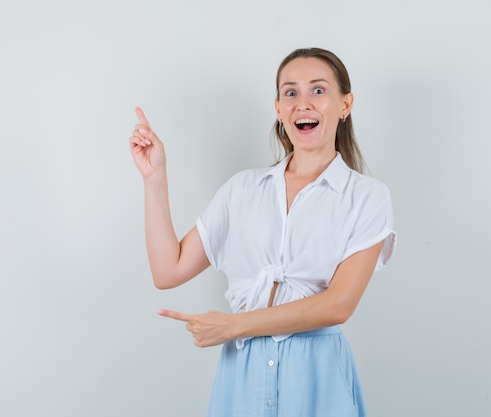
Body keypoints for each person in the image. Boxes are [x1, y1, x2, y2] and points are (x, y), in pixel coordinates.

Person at [129, 47, 397, 417]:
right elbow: (168, 270)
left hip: (317, 376)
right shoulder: (242, 190)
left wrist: (233, 326)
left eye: (318, 91)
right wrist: (154, 178)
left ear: (345, 105)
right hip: (242, 375)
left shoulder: (367, 197)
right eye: (291, 92)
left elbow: (338, 305)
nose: (303, 103)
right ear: (278, 109)